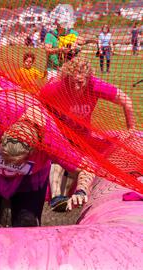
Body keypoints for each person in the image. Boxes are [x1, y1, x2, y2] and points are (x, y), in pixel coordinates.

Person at [0, 84, 94, 227]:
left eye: (15, 162)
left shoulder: (51, 140)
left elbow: (86, 167)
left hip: (29, 178)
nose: (10, 166)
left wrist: (81, 190)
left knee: (27, 224)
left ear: (34, 150)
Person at [39, 57, 136, 211]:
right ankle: (56, 198)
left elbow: (126, 100)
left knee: (88, 163)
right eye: (74, 82)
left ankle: (80, 192)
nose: (78, 87)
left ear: (88, 79)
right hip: (59, 135)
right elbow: (39, 106)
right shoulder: (55, 89)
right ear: (67, 78)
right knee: (59, 160)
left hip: (82, 137)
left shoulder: (95, 86)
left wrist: (131, 130)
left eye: (81, 82)